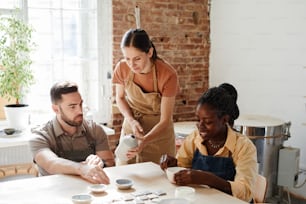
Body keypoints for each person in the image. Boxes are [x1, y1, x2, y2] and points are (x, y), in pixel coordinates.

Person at [160, 86, 257, 202]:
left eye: (208, 122)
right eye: (198, 120)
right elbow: (183, 166)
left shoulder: (243, 146)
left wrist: (207, 179)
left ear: (224, 120)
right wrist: (174, 165)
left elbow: (245, 192)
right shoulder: (194, 138)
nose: (200, 126)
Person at [112, 28, 179, 165]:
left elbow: (165, 120)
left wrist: (145, 141)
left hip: (159, 133)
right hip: (132, 128)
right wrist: (131, 120)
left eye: (137, 59)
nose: (131, 65)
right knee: (125, 175)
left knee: (156, 180)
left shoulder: (167, 74)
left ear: (149, 52)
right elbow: (119, 98)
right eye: (127, 58)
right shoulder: (122, 68)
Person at [29, 81, 115, 184]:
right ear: (56, 109)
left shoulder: (95, 130)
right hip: (54, 192)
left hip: (88, 191)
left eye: (80, 104)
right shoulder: (40, 136)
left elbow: (110, 164)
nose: (80, 111)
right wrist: (83, 169)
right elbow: (51, 163)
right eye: (72, 106)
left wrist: (100, 163)